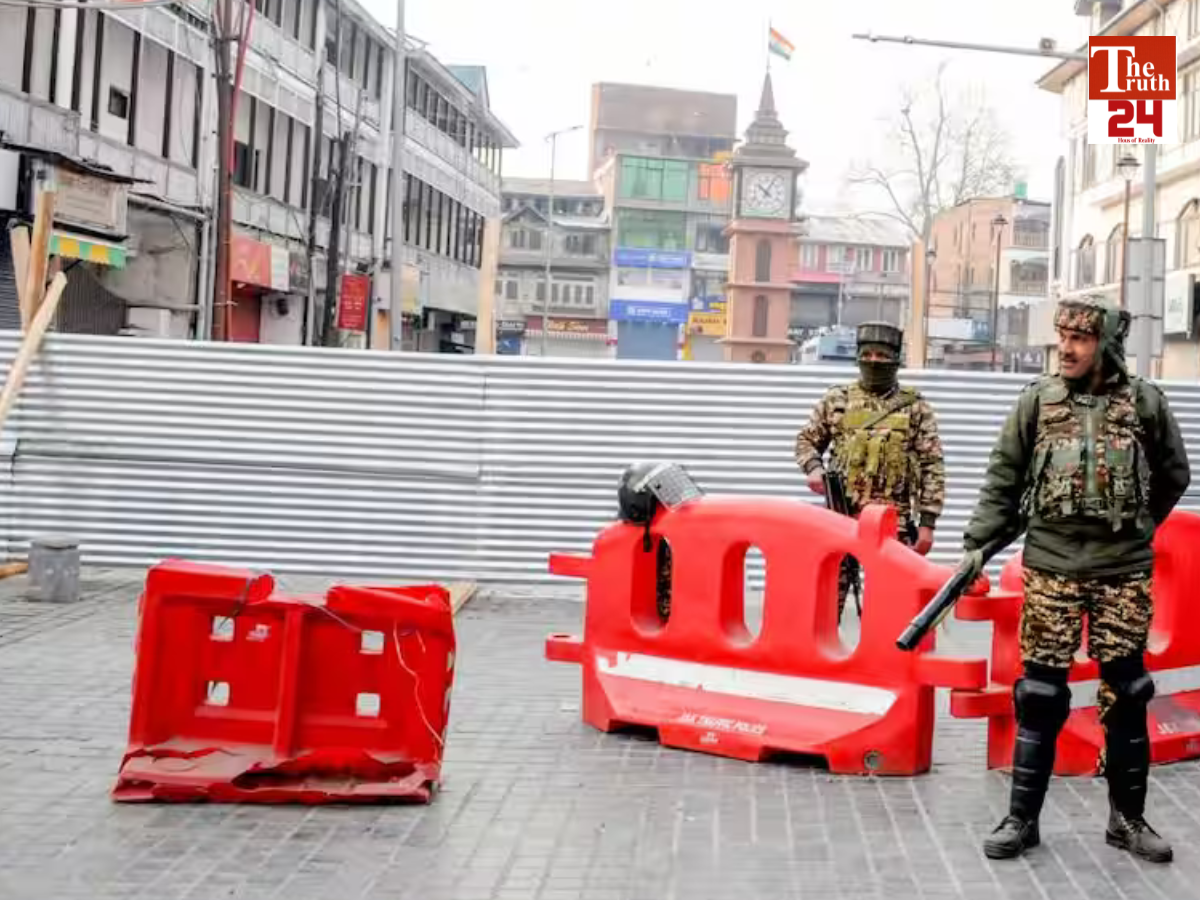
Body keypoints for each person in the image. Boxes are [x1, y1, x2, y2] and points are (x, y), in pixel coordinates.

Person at [960, 296, 1190, 863]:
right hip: (1052, 567)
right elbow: (1003, 478)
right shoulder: (1037, 402)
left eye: (1080, 339)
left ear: (1106, 344)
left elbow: (1172, 474)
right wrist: (975, 548)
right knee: (1039, 693)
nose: (1066, 348)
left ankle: (1127, 820)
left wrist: (1134, 530)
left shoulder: (1145, 404)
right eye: (1062, 336)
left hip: (1122, 573)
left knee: (1129, 694)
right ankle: (1021, 819)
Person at [795, 321, 946, 621]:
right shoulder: (836, 399)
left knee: (891, 613)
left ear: (895, 360)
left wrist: (927, 523)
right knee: (824, 609)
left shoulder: (915, 408)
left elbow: (932, 466)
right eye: (868, 354)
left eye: (882, 355)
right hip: (841, 519)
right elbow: (806, 441)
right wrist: (813, 468)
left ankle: (889, 667)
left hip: (894, 526)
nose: (874, 361)